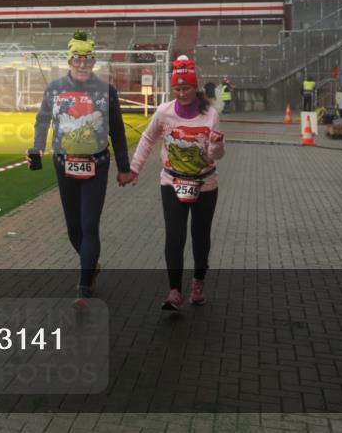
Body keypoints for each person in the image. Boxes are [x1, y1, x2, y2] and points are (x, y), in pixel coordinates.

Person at [28, 31, 133, 301]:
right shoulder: (54, 88)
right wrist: (37, 148)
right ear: (69, 60)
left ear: (94, 61)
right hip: (64, 166)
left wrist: (124, 167)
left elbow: (118, 132)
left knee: (89, 226)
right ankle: (92, 266)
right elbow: (42, 121)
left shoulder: (107, 91)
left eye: (88, 58)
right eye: (77, 58)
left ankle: (84, 287)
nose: (83, 63)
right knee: (73, 229)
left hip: (96, 166)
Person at [124, 55, 225, 310]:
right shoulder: (163, 112)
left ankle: (198, 284)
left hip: (205, 184)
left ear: (196, 87)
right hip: (171, 182)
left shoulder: (210, 115)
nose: (182, 93)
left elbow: (216, 157)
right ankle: (174, 291)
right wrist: (134, 168)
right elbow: (147, 139)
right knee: (175, 236)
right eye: (177, 89)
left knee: (200, 237)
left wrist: (216, 145)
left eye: (186, 88)